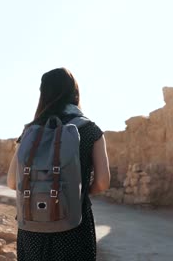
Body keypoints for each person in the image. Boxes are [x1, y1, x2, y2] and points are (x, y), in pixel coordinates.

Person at [6, 67, 111, 261]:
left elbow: (12, 182)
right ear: (75, 92)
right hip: (74, 225)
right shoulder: (89, 130)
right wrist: (75, 191)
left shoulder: (30, 131)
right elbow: (103, 182)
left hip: (32, 227)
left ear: (43, 94)